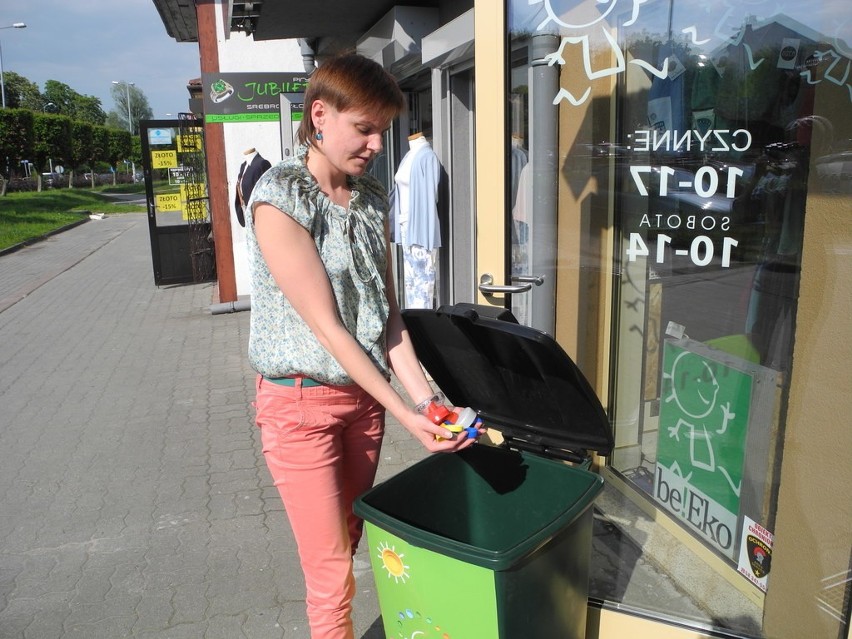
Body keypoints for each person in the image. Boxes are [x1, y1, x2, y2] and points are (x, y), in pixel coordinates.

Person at [243, 53, 480, 639]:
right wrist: (407, 415)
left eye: (384, 129)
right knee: (329, 578)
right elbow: (329, 328)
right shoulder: (280, 197)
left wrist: (428, 404)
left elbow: (386, 316)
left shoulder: (371, 196)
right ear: (319, 115)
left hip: (361, 405)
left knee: (349, 540)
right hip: (301, 408)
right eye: (365, 128)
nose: (378, 143)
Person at [391, 131, 441, 308]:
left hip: (420, 227)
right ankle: (414, 324)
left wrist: (425, 229)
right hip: (405, 226)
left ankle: (423, 325)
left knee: (423, 282)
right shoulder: (408, 156)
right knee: (411, 281)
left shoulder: (428, 156)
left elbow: (431, 195)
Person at [234, 147, 271, 227]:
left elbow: (269, 192)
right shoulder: (244, 166)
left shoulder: (262, 164)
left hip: (258, 214)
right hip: (247, 213)